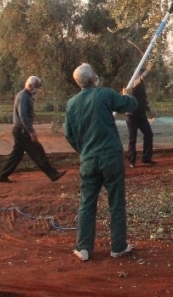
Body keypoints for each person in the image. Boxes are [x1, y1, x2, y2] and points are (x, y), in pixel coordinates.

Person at [64, 63, 137, 261]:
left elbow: (69, 135)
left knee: (87, 202)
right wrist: (128, 94)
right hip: (110, 157)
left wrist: (84, 150)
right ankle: (118, 247)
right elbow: (129, 105)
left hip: (88, 159)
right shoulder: (104, 94)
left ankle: (84, 247)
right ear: (92, 79)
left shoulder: (71, 104)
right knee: (116, 201)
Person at [0, 76, 66, 183]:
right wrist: (31, 131)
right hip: (22, 130)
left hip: (19, 130)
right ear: (30, 85)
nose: (38, 89)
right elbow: (23, 115)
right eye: (37, 86)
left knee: (16, 155)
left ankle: (3, 176)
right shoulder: (24, 96)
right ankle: (52, 174)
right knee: (37, 151)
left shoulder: (25, 95)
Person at [125, 75, 155, 168]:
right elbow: (128, 90)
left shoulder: (142, 85)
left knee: (149, 134)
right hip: (132, 116)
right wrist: (147, 71)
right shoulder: (131, 83)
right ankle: (131, 161)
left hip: (142, 115)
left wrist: (149, 110)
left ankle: (146, 158)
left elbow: (144, 99)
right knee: (132, 139)